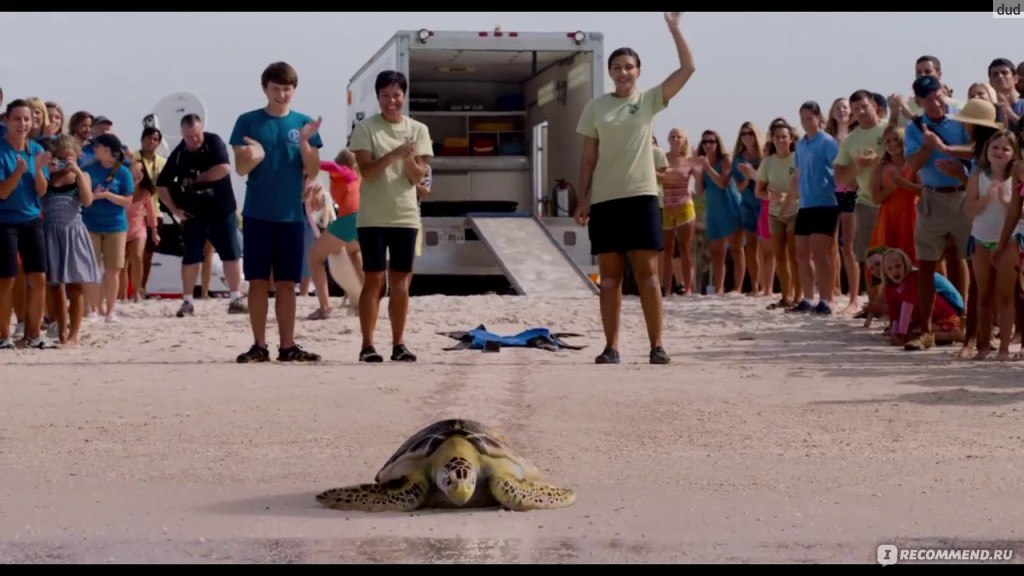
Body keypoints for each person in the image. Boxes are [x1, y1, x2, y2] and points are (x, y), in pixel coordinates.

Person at [574, 12, 695, 365]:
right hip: (606, 201)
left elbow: (688, 69)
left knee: (648, 276)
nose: (623, 72)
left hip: (642, 198)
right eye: (617, 67)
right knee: (609, 278)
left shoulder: (649, 101)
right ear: (610, 72)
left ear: (638, 71)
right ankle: (611, 347)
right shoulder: (596, 108)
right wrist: (583, 197)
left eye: (629, 66)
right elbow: (588, 158)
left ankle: (657, 345)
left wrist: (675, 29)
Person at [230, 61, 323, 363]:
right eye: (276, 88)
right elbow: (240, 167)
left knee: (287, 283)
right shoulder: (248, 122)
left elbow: (312, 169)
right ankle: (259, 345)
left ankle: (288, 346)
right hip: (257, 214)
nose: (282, 94)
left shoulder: (303, 123)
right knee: (257, 281)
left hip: (291, 217)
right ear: (265, 89)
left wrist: (307, 142)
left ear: (294, 89)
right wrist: (255, 155)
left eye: (287, 88)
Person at [349, 70, 433, 363]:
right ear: (378, 97)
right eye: (385, 95)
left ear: (404, 96)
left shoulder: (418, 130)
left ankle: (399, 344)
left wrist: (408, 157)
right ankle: (368, 345)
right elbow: (368, 173)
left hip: (405, 217)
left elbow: (418, 177)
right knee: (374, 281)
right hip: (372, 218)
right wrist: (394, 154)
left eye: (396, 95)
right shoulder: (365, 129)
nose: (391, 101)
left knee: (401, 281)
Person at [157, 114, 247, 317]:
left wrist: (198, 180)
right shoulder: (179, 154)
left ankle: (235, 297)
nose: (194, 140)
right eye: (189, 137)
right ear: (182, 135)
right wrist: (175, 210)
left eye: (197, 135)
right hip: (193, 214)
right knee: (191, 257)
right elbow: (162, 184)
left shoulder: (213, 142)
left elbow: (223, 168)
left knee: (231, 254)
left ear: (202, 130)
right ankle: (187, 301)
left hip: (221, 211)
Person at [0, 99, 51, 349]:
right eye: (17, 119)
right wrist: (19, 172)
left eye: (27, 119)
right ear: (6, 121)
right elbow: (2, 192)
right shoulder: (0, 150)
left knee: (39, 277)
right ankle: (2, 336)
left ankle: (33, 334)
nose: (22, 124)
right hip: (4, 221)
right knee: (7, 279)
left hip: (32, 220)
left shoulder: (37, 151)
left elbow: (42, 191)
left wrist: (39, 171)